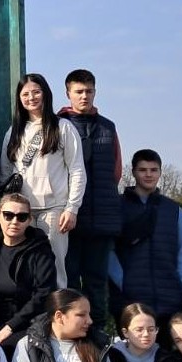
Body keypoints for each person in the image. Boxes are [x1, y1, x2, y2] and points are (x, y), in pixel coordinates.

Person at [0, 73, 86, 289]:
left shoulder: (63, 127)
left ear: (45, 93)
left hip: (55, 210)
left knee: (54, 267)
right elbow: (5, 171)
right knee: (25, 267)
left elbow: (77, 170)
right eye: (25, 94)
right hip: (21, 213)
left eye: (36, 92)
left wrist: (72, 208)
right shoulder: (13, 132)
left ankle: (57, 309)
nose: (31, 97)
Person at [58, 70, 123, 331]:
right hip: (69, 219)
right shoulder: (59, 124)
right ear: (68, 93)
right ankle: (72, 334)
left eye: (89, 91)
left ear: (95, 92)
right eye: (79, 91)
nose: (84, 96)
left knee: (97, 284)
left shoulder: (108, 127)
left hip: (102, 218)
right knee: (70, 282)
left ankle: (97, 335)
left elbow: (116, 171)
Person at [112, 150, 182, 328]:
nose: (148, 174)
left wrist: (181, 286)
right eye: (143, 170)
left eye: (153, 170)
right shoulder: (117, 207)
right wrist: (122, 281)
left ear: (160, 172)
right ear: (133, 172)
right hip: (129, 301)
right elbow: (107, 250)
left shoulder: (174, 210)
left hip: (170, 300)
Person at [0, 192, 57, 356]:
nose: (14, 221)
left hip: (26, 324)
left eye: (21, 217)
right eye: (8, 215)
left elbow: (43, 294)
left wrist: (9, 328)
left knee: (3, 350)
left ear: (29, 220)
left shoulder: (41, 250)